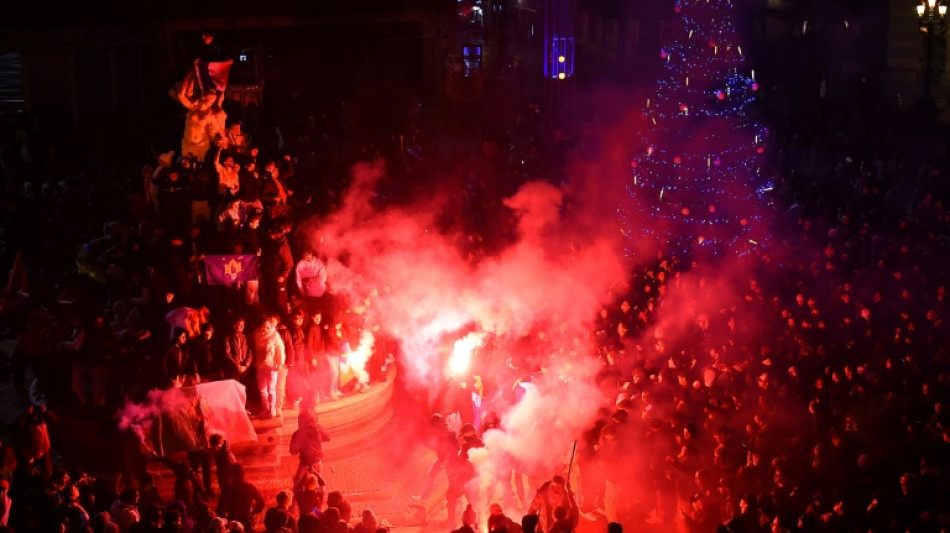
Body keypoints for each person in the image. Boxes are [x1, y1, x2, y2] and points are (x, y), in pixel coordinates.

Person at [251, 314, 286, 418]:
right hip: (260, 366)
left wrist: (280, 363)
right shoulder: (256, 334)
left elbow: (281, 349)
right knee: (262, 389)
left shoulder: (274, 335)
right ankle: (265, 409)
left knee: (271, 389)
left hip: (272, 367)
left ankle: (272, 409)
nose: (265, 329)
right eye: (263, 327)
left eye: (267, 327)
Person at [289, 407, 331, 486]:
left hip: (305, 462)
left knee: (297, 484)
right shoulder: (318, 428)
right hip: (317, 460)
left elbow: (292, 451)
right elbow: (328, 438)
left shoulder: (298, 434)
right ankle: (321, 495)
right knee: (318, 483)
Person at [216, 464, 264, 531]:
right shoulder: (250, 487)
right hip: (246, 521)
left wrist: (226, 521)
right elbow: (261, 503)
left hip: (232, 523)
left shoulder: (227, 489)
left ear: (231, 475)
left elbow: (220, 509)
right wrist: (253, 513)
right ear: (243, 474)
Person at [294, 250, 328, 315]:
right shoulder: (300, 265)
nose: (306, 258)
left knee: (320, 313)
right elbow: (298, 280)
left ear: (311, 254)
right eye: (304, 256)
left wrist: (311, 279)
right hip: (308, 295)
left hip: (320, 294)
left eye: (307, 256)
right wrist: (302, 292)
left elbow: (323, 277)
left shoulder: (318, 263)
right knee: (311, 313)